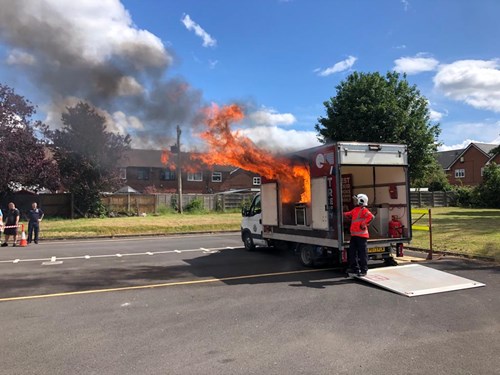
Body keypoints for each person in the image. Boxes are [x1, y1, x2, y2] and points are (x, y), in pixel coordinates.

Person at [343, 194, 374, 277]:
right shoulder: (356, 209)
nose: (355, 201)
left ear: (361, 201)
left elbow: (371, 217)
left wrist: (363, 224)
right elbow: (348, 214)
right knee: (352, 253)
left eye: (357, 200)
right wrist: (341, 213)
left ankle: (363, 270)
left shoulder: (364, 210)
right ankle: (354, 268)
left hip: (362, 237)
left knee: (362, 254)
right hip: (354, 236)